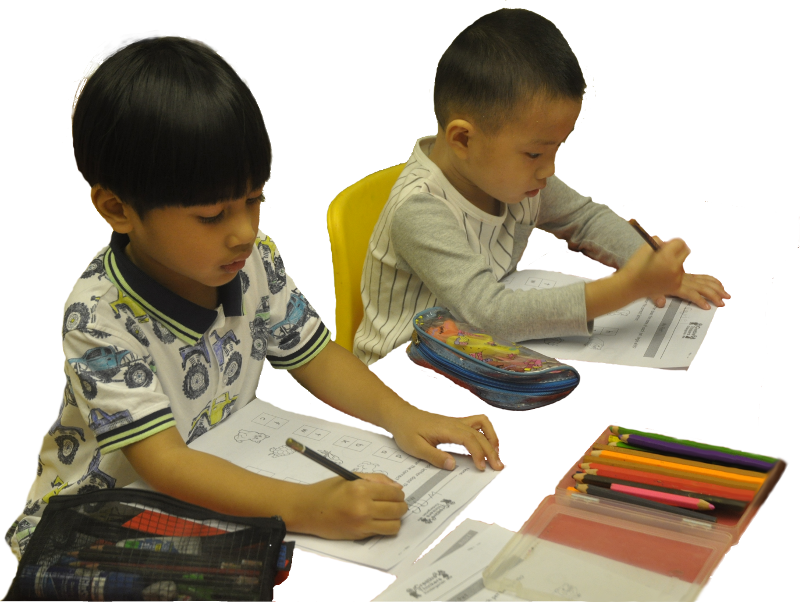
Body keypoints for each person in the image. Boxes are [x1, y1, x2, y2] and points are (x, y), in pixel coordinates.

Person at [3, 31, 502, 563]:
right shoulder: (98, 317)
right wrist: (308, 508)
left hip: (213, 478)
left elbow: (316, 356)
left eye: (253, 199)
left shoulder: (251, 259)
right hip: (92, 528)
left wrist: (401, 415)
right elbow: (165, 464)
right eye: (211, 215)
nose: (243, 231)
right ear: (118, 210)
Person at [353, 8, 730, 366]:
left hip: (474, 351)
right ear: (464, 140)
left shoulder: (510, 177)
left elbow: (584, 218)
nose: (549, 170)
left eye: (555, 150)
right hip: (403, 371)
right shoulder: (420, 210)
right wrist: (629, 287)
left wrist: (646, 264)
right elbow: (492, 314)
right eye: (534, 153)